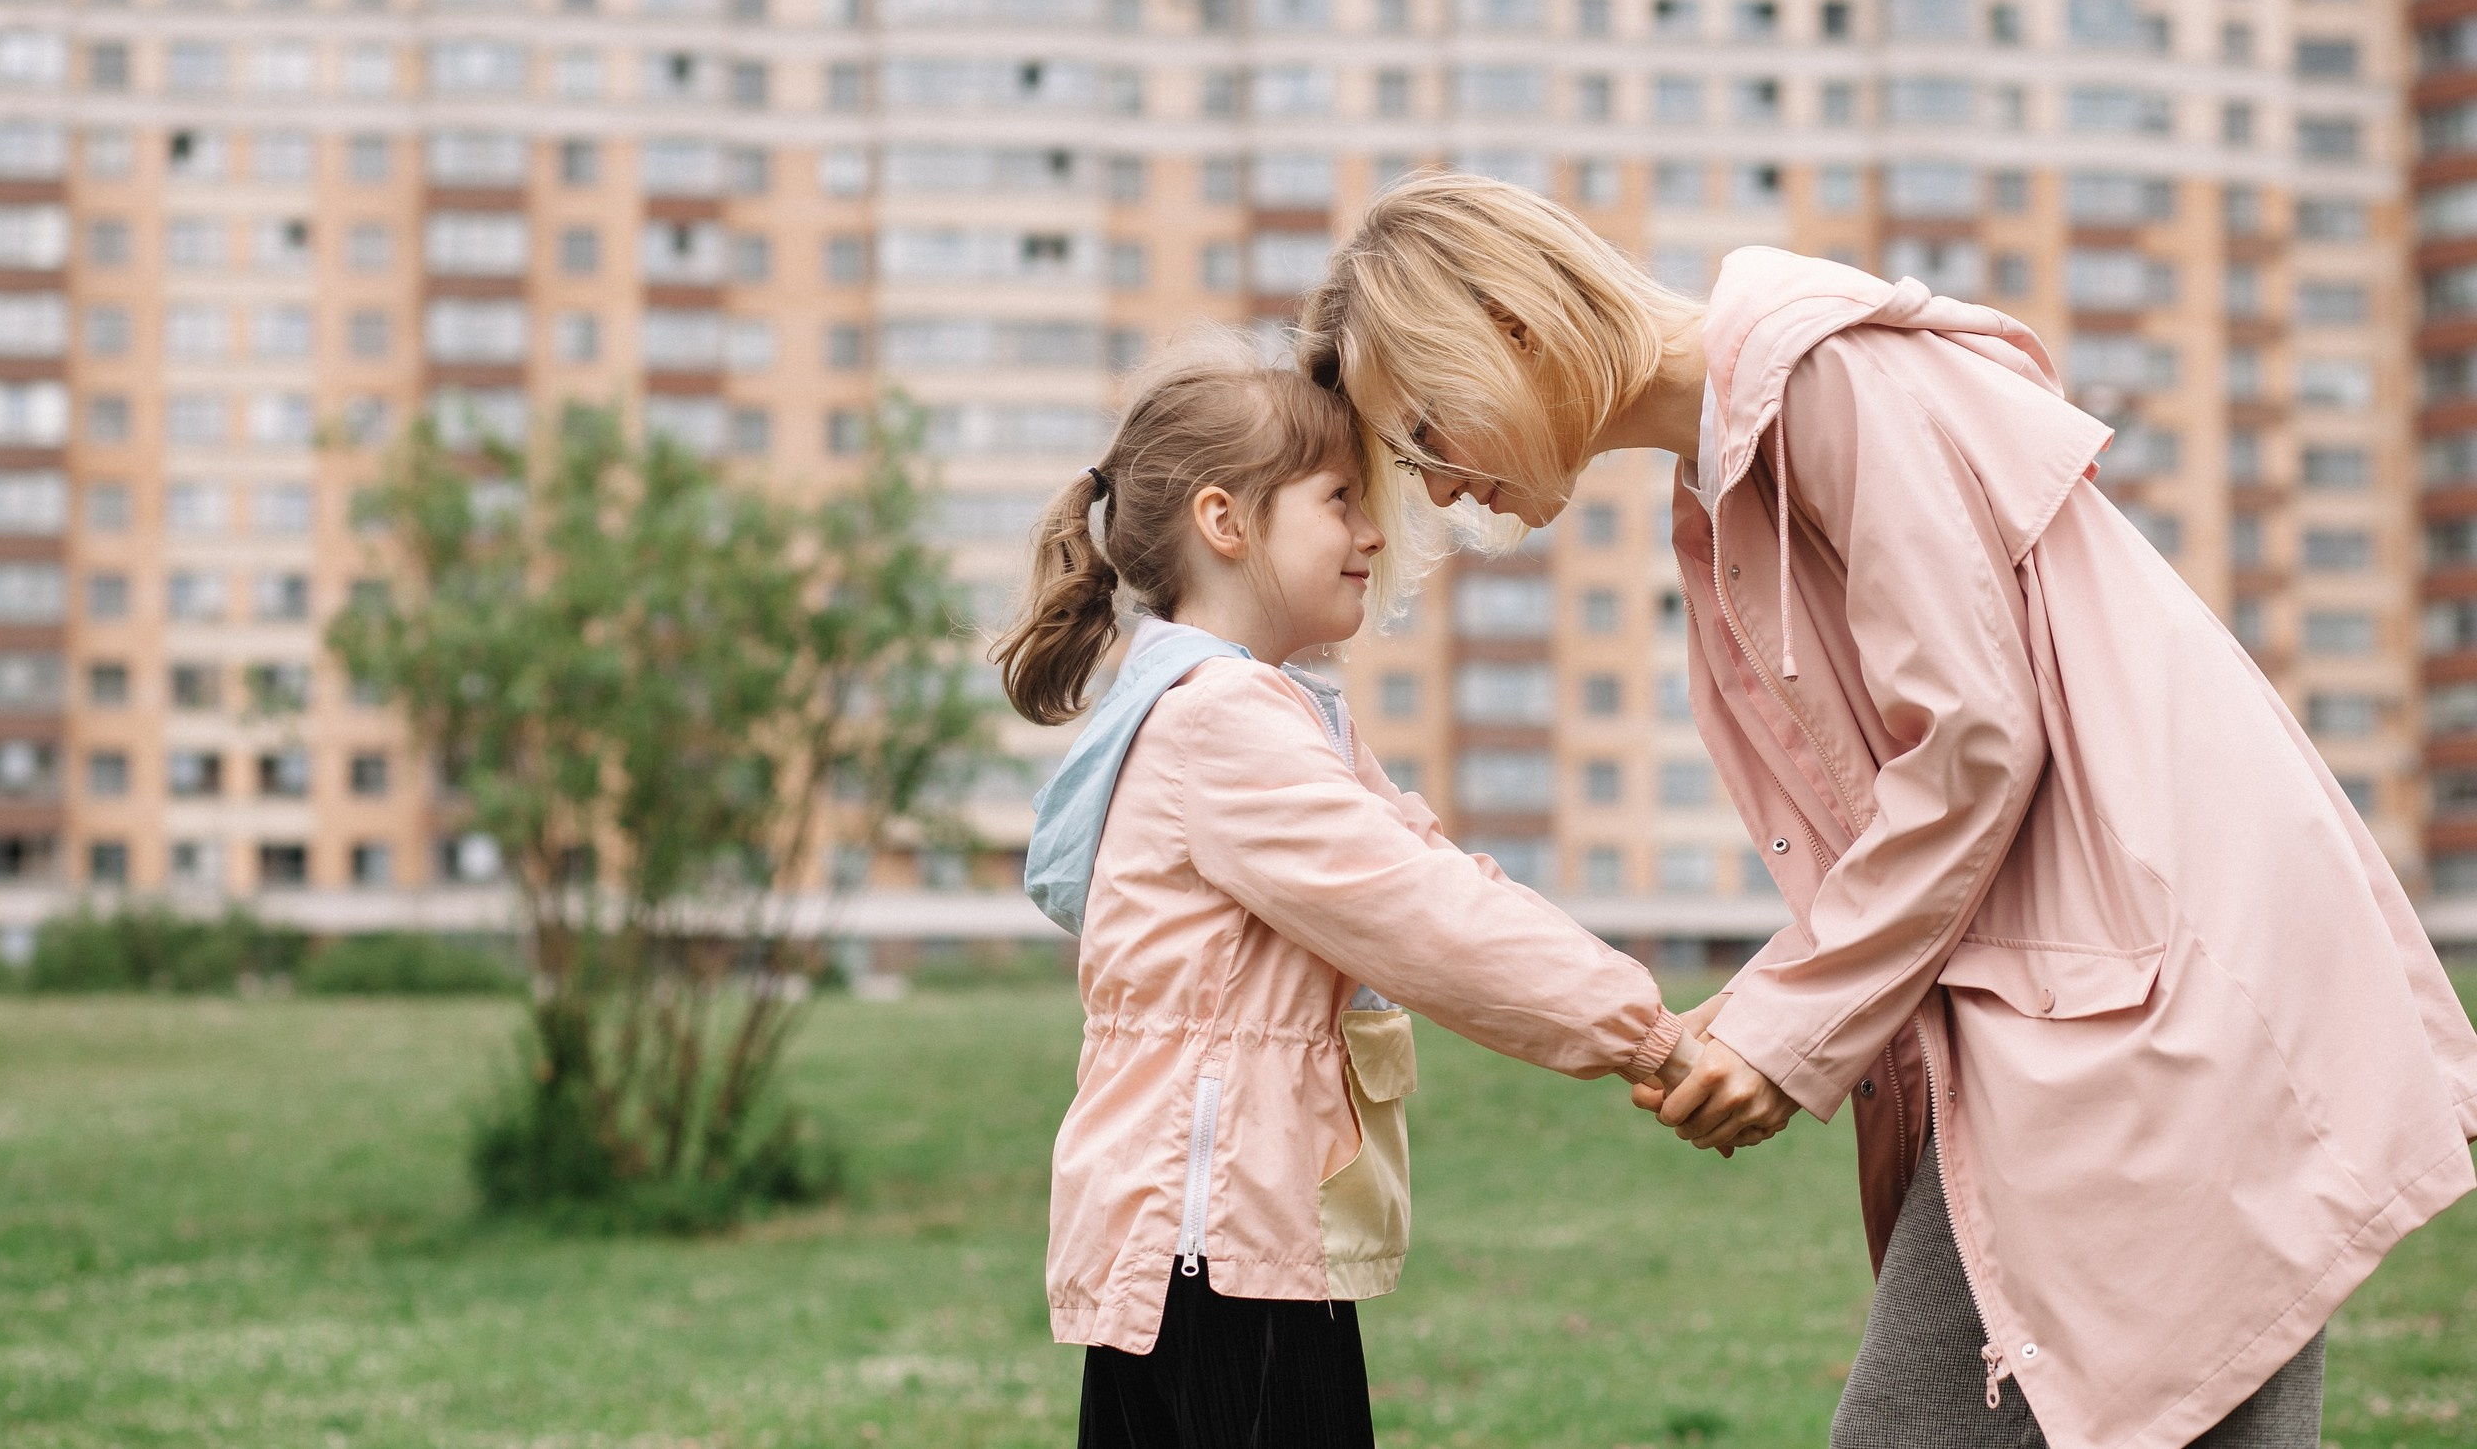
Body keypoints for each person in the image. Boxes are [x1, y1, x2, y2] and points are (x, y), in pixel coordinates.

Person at [1296, 171, 2477, 1449]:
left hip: (2166, 1010)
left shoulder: (1821, 387)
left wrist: (1785, 1030)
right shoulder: (1746, 463)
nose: (1429, 483)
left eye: (1421, 428)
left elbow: (1972, 742)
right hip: (2136, 1003)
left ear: (1509, 329)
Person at [994, 335, 1699, 1449]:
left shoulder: (1275, 712)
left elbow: (1434, 875)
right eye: (1339, 501)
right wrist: (1649, 1033)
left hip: (1236, 1234)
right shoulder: (1221, 723)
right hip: (1213, 1248)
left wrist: (1637, 1016)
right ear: (1225, 522)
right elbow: (1419, 915)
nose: (1374, 532)